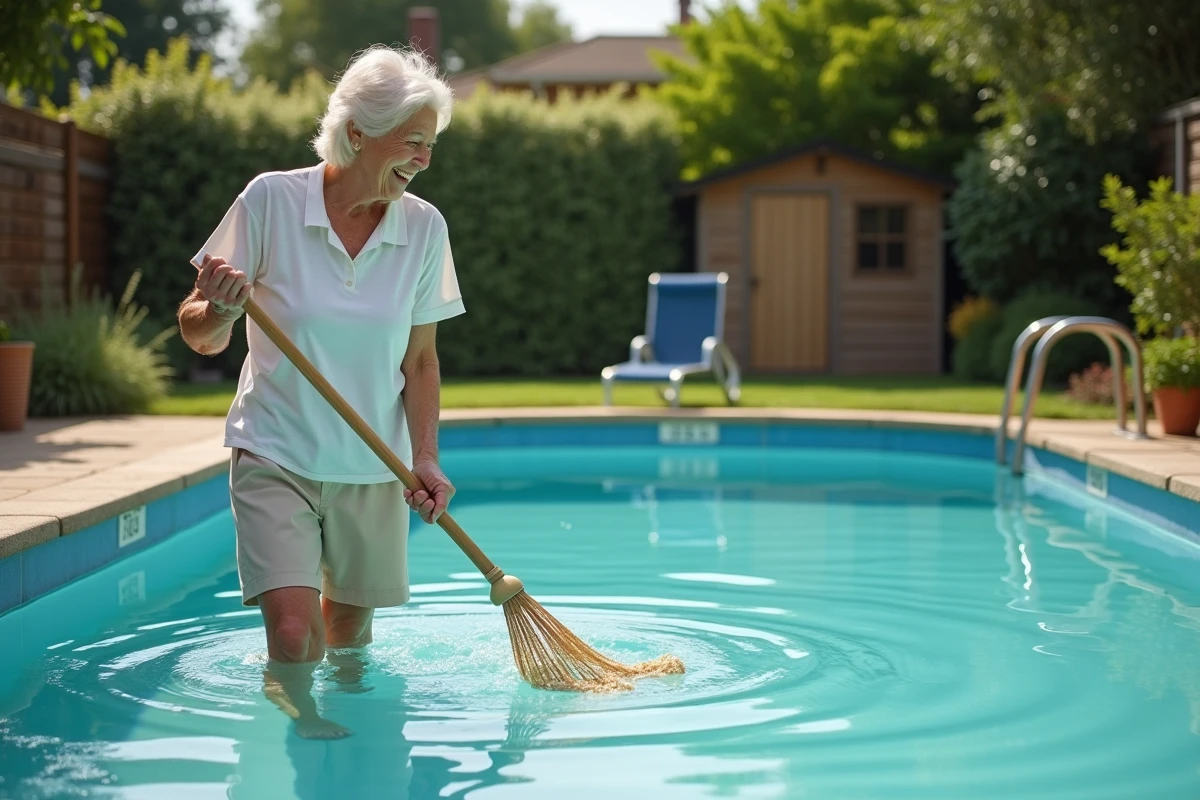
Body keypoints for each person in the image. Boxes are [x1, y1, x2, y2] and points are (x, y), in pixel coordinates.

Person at [177, 45, 464, 738]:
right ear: (358, 131)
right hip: (276, 450)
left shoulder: (425, 228)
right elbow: (198, 333)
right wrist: (219, 309)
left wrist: (425, 457)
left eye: (431, 144)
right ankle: (301, 726)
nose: (424, 159)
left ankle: (350, 747)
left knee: (349, 640)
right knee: (294, 631)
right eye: (413, 141)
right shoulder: (270, 200)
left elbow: (422, 361)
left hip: (375, 464)